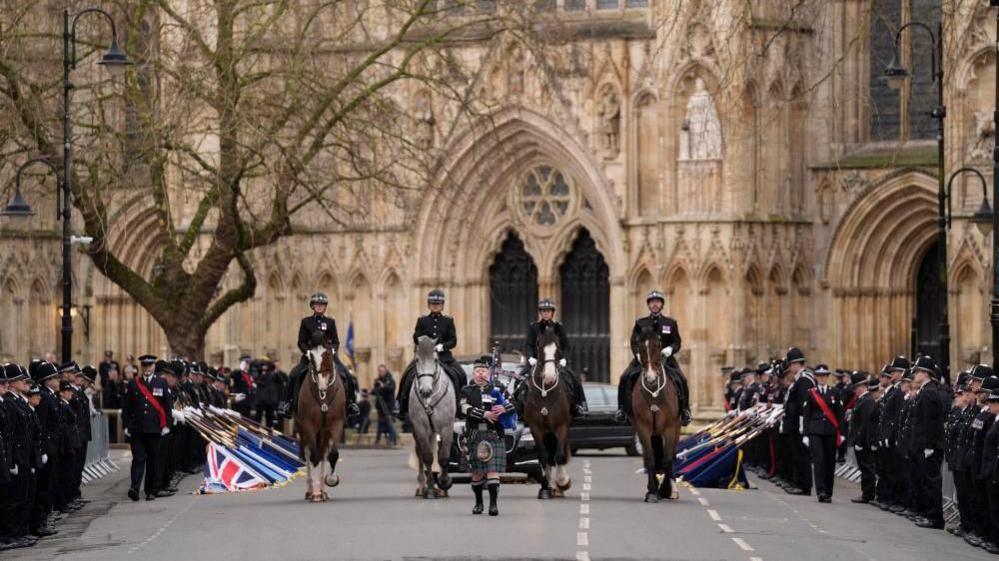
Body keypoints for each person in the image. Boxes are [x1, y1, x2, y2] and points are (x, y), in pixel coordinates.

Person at [278, 292, 359, 419]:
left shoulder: (330, 322)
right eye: (317, 305)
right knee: (294, 374)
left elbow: (336, 341)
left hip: (328, 356)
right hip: (310, 357)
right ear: (313, 306)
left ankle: (351, 403)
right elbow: (301, 341)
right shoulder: (306, 322)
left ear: (325, 307)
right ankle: (287, 403)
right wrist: (307, 352)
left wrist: (332, 351)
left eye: (322, 305)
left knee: (347, 375)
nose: (320, 307)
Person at [615, 290, 691, 425]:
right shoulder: (640, 323)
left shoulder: (670, 323)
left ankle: (685, 411)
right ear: (648, 305)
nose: (655, 305)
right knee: (624, 377)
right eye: (652, 302)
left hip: (665, 360)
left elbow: (677, 342)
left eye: (657, 302)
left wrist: (670, 349)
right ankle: (622, 410)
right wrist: (638, 353)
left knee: (682, 379)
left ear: (662, 305)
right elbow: (634, 341)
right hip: (644, 359)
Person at [396, 289, 466, 422]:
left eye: (438, 304)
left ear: (442, 305)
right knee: (406, 375)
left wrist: (442, 346)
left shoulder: (448, 321)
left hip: (444, 357)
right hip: (425, 357)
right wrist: (424, 344)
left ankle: (459, 406)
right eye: (433, 304)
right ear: (429, 305)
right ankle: (400, 406)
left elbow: (453, 340)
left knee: (460, 375)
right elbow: (416, 336)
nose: (435, 306)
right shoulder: (422, 320)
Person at [459, 356, 516, 516]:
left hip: (493, 434)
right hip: (474, 434)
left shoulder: (498, 388)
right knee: (477, 472)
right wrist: (484, 414)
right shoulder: (466, 391)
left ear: (489, 372)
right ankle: (478, 503)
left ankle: (493, 504)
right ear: (473, 374)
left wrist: (505, 409)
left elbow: (515, 403)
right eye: (477, 371)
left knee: (492, 471)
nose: (480, 374)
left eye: (483, 371)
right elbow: (462, 407)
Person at [512, 299, 587, 417]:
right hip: (536, 361)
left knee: (574, 379)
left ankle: (579, 405)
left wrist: (564, 359)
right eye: (543, 311)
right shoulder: (533, 327)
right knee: (519, 380)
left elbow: (566, 345)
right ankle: (517, 408)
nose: (546, 313)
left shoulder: (558, 327)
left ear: (552, 313)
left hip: (555, 361)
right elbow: (528, 344)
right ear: (540, 313)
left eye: (548, 311)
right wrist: (531, 357)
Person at [121, 356, 173, 502]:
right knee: (138, 459)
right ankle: (135, 488)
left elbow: (167, 406)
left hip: (155, 429)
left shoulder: (161, 382)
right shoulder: (133, 383)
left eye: (150, 365)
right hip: (137, 429)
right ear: (142, 366)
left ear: (154, 366)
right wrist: (126, 425)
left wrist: (167, 425)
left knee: (153, 460)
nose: (147, 368)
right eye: (145, 365)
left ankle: (151, 490)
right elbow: (127, 407)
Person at [909, 355, 946, 529]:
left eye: (917, 371)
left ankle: (935, 517)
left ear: (925, 373)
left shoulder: (929, 392)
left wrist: (929, 446)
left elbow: (930, 422)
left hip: (929, 445)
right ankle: (927, 513)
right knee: (926, 481)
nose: (914, 374)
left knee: (931, 482)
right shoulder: (926, 391)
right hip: (923, 444)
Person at [801, 364, 842, 503]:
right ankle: (821, 491)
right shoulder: (810, 393)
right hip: (815, 431)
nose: (822, 378)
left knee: (830, 462)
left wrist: (841, 433)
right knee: (819, 461)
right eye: (819, 376)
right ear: (816, 377)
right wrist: (806, 434)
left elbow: (839, 414)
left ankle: (829, 491)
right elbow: (806, 415)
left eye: (824, 376)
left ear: (827, 377)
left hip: (830, 431)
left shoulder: (834, 392)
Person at [29, 361, 61, 538]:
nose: (58, 381)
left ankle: (44, 518)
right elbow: (40, 426)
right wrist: (42, 450)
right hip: (47, 447)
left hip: (53, 446)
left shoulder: (50, 396)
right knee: (43, 487)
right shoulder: (44, 397)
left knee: (49, 485)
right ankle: (39, 522)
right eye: (54, 378)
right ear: (46, 380)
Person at [781, 347, 814, 496]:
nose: (790, 368)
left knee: (802, 456)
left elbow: (804, 405)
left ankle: (803, 485)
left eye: (791, 365)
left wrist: (802, 426)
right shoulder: (800, 379)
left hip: (799, 424)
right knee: (797, 455)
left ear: (796, 364)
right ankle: (798, 482)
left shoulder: (804, 380)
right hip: (794, 424)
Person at [849, 375, 881, 504]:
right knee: (864, 467)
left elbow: (866, 423)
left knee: (867, 468)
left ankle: (868, 493)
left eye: (856, 387)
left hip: (864, 441)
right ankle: (866, 492)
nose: (855, 390)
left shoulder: (867, 400)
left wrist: (860, 441)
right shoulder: (862, 400)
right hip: (860, 439)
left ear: (862, 387)